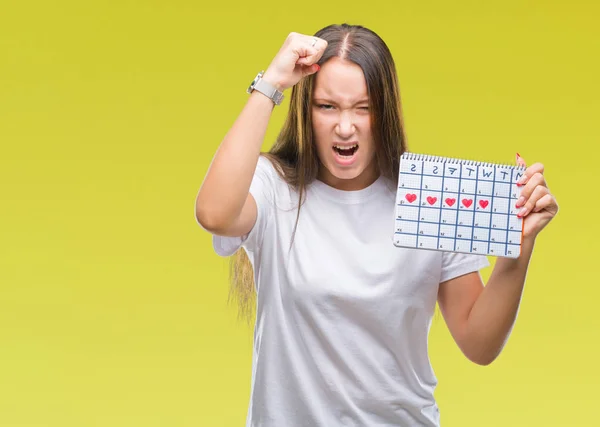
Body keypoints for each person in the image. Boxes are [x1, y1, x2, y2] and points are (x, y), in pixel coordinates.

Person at [195, 23, 558, 427]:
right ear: (305, 109)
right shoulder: (273, 186)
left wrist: (518, 249)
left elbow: (480, 343)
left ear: (384, 112)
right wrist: (272, 82)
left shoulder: (431, 196)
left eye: (363, 108)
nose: (345, 127)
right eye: (327, 106)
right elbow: (215, 214)